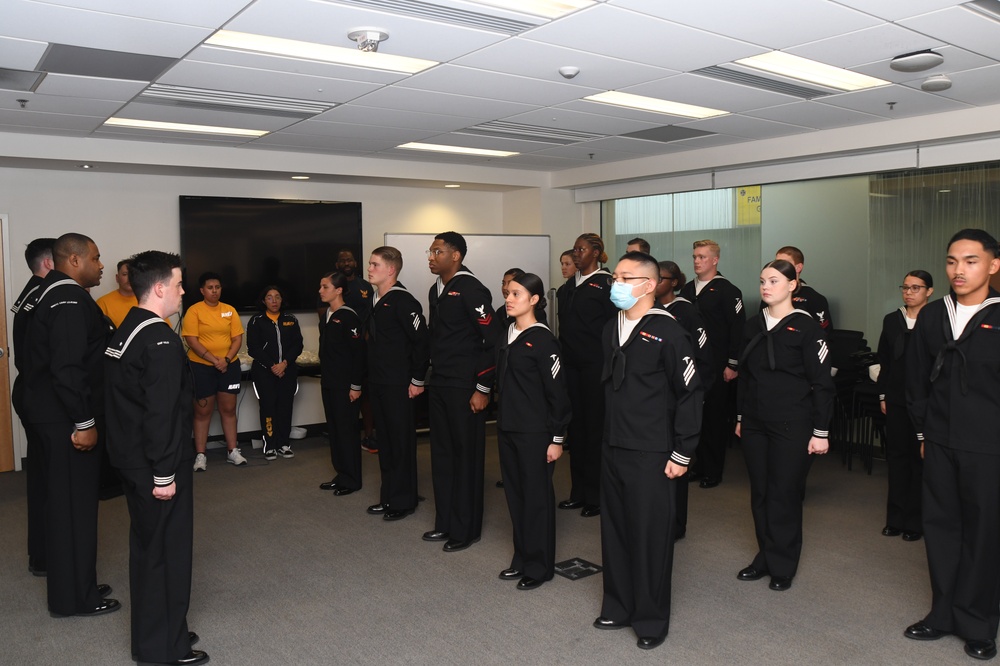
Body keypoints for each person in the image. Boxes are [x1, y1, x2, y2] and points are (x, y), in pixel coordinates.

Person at [593, 251, 703, 651]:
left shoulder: (669, 332)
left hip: (652, 450)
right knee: (616, 529)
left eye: (625, 277)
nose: (616, 284)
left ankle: (651, 618)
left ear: (649, 285)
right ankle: (618, 605)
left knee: (650, 535)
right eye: (615, 277)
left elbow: (690, 394)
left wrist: (681, 453)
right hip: (614, 444)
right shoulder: (612, 327)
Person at [104, 251, 208, 666]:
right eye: (180, 284)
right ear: (161, 287)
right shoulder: (161, 339)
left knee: (149, 548)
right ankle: (164, 647)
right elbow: (162, 414)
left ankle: (161, 629)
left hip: (131, 457)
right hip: (156, 463)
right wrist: (165, 474)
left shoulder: (130, 325)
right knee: (167, 552)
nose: (184, 291)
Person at [904, 229, 1000, 661]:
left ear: (993, 265)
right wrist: (924, 433)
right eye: (951, 261)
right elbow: (917, 378)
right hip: (939, 441)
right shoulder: (932, 315)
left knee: (984, 535)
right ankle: (941, 613)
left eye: (971, 261)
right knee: (941, 529)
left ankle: (978, 622)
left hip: (988, 445)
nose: (959, 270)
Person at [21, 232, 119, 617]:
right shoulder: (68, 298)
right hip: (66, 419)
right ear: (74, 260)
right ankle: (75, 598)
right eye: (96, 258)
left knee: (64, 506)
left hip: (50, 414)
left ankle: (78, 583)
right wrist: (85, 422)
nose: (101, 265)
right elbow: (67, 368)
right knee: (73, 510)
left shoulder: (51, 292)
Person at [734, 259, 834, 592]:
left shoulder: (806, 327)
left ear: (793, 285)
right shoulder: (752, 325)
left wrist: (821, 431)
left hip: (794, 423)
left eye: (774, 281)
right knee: (760, 492)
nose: (765, 287)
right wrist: (740, 417)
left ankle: (783, 564)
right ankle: (765, 555)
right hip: (755, 422)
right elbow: (745, 377)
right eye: (762, 281)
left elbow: (822, 382)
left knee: (783, 493)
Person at [495, 273, 570, 591]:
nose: (509, 299)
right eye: (508, 293)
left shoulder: (543, 340)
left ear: (535, 300)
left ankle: (539, 567)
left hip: (535, 433)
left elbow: (559, 394)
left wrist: (557, 439)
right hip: (508, 428)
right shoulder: (508, 332)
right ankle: (522, 558)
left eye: (516, 294)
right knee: (516, 496)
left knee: (537, 499)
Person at [425, 231, 499, 551]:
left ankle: (466, 529)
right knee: (441, 456)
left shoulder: (472, 289)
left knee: (465, 457)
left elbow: (492, 341)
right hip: (440, 383)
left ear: (455, 256)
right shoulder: (436, 289)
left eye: (437, 251)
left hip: (466, 387)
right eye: (430, 251)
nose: (430, 256)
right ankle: (445, 522)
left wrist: (483, 388)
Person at [365, 247, 429, 521]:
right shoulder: (375, 299)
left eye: (375, 264)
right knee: (386, 441)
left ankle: (404, 501)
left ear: (391, 270)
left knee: (401, 442)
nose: (369, 269)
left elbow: (422, 342)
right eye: (370, 264)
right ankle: (389, 496)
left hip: (399, 384)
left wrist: (417, 380)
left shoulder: (403, 301)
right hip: (379, 382)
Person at [557, 233, 617, 518]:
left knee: (595, 431)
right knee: (576, 430)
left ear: (596, 253)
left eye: (581, 249)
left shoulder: (607, 284)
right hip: (571, 366)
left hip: (596, 367)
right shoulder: (568, 287)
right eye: (575, 248)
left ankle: (596, 495)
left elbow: (614, 327)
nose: (576, 253)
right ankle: (577, 492)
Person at [679, 239, 745, 489]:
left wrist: (732, 364)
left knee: (715, 419)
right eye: (695, 256)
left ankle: (713, 470)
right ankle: (699, 464)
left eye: (702, 257)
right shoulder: (686, 290)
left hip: (718, 366)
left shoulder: (728, 291)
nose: (697, 261)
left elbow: (737, 329)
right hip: (691, 364)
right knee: (695, 416)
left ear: (715, 260)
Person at [656, 260, 712, 541]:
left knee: (676, 462)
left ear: (674, 283)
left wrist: (695, 396)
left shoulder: (686, 311)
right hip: (656, 402)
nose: (656, 284)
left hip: (680, 396)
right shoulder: (648, 313)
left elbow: (701, 355)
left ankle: (677, 525)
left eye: (662, 278)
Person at [876, 270, 933, 542]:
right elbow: (884, 361)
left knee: (919, 459)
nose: (909, 292)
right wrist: (883, 396)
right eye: (905, 287)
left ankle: (915, 521)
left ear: (929, 291)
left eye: (916, 288)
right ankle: (895, 518)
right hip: (896, 399)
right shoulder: (892, 320)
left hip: (924, 402)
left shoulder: (935, 320)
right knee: (897, 458)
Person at [10, 237, 55, 578]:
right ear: (50, 264)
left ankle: (42, 555)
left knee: (42, 480)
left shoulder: (32, 293)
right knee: (49, 484)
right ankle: (46, 556)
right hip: (43, 398)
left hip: (33, 393)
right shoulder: (43, 297)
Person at [182, 272, 246, 471]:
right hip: (202, 367)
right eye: (210, 287)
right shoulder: (194, 311)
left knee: (228, 409)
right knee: (203, 411)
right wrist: (214, 360)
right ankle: (201, 454)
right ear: (202, 290)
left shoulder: (229, 310)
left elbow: (237, 338)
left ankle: (232, 451)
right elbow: (191, 340)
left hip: (229, 365)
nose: (214, 291)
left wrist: (225, 360)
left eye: (217, 287)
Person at [316, 272, 365, 496]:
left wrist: (356, 386)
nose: (320, 290)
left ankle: (352, 479)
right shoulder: (327, 314)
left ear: (338, 290)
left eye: (325, 287)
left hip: (345, 386)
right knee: (335, 431)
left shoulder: (348, 316)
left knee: (347, 432)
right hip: (329, 382)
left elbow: (358, 354)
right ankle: (341, 474)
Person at [246, 285, 304, 460]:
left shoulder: (291, 319)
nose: (274, 301)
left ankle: (283, 443)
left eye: (277, 297)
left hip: (287, 371)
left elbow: (298, 345)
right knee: (268, 407)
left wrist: (284, 364)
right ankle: (270, 445)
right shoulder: (256, 321)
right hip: (265, 372)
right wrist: (273, 365)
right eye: (269, 297)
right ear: (264, 301)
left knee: (285, 407)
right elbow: (253, 348)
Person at [336, 248, 377, 452]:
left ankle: (369, 435)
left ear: (355, 263)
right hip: (342, 352)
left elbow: (372, 314)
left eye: (349, 259)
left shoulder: (365, 286)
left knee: (366, 395)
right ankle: (347, 438)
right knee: (345, 395)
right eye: (342, 260)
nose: (346, 263)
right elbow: (325, 317)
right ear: (337, 265)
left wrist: (366, 338)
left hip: (364, 348)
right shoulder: (333, 285)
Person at [770, 246, 834, 330]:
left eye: (784, 264)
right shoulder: (770, 294)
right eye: (776, 263)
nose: (778, 268)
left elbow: (824, 334)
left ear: (798, 268)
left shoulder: (814, 298)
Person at [95, 259, 138, 327]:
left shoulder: (148, 300)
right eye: (125, 274)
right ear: (117, 278)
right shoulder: (103, 303)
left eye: (133, 274)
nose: (130, 278)